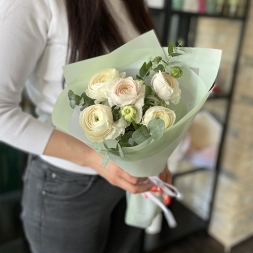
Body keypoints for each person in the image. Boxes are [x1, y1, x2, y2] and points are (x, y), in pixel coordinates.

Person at [0, 0, 172, 252]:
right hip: (68, 186)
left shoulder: (134, 4)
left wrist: (156, 153)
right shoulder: (34, 4)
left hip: (127, 180)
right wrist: (93, 157)